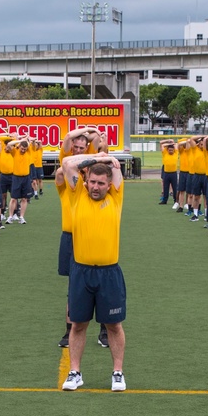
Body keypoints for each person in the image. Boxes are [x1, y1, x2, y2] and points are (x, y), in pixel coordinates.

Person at [59, 153, 126, 392]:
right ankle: (75, 372)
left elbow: (116, 170)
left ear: (109, 185)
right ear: (86, 182)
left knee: (114, 325)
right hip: (81, 272)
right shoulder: (77, 195)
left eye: (100, 183)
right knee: (78, 325)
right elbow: (67, 164)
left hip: (109, 273)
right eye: (92, 182)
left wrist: (111, 163)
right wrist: (98, 157)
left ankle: (117, 373)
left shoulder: (116, 197)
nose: (95, 187)